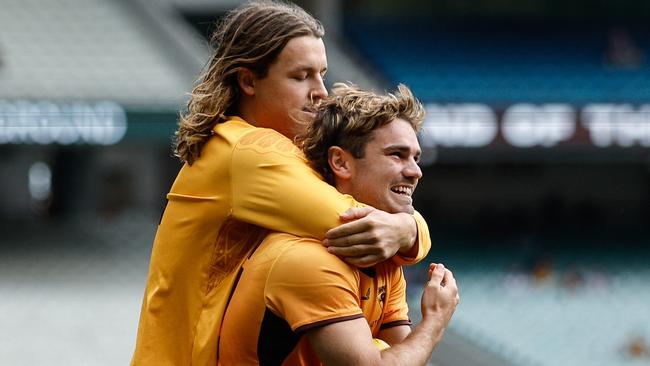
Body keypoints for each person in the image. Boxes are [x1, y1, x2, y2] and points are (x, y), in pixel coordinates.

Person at [132, 2, 433, 365]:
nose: (320, 91)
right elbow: (359, 223)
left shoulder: (269, 150)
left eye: (322, 74)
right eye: (300, 76)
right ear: (248, 80)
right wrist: (409, 228)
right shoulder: (250, 150)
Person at [219, 83, 459, 365]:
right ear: (340, 162)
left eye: (415, 157)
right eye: (397, 154)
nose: (415, 171)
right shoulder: (309, 258)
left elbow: (408, 358)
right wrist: (434, 323)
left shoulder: (385, 255)